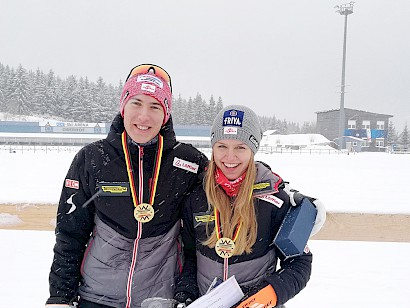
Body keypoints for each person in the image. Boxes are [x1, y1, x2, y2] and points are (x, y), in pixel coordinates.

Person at [46, 64, 209, 308]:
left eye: (155, 106)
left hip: (160, 300)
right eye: (136, 103)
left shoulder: (188, 162)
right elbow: (70, 233)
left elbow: (228, 190)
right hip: (96, 297)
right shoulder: (93, 158)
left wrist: (267, 185)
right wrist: (60, 296)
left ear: (166, 113)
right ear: (123, 105)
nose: (144, 116)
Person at [173, 105, 325, 307]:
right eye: (222, 146)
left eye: (240, 147)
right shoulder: (196, 196)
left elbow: (299, 262)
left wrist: (269, 294)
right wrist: (186, 294)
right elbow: (190, 256)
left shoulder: (275, 200)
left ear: (252, 150)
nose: (229, 157)